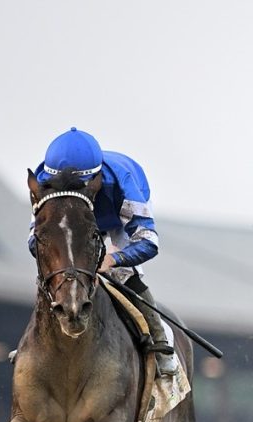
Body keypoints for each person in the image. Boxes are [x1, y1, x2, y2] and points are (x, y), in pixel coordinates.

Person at [29, 127, 177, 376]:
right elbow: (35, 241)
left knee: (122, 273)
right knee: (56, 271)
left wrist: (112, 258)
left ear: (94, 180)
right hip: (74, 222)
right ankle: (33, 342)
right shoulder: (44, 182)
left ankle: (159, 341)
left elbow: (149, 241)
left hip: (116, 218)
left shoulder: (124, 182)